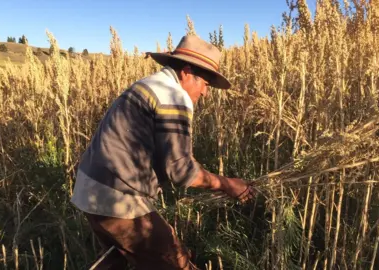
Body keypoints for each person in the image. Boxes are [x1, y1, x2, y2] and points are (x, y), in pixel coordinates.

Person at [70, 35, 256, 270]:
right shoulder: (173, 97)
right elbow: (181, 172)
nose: (206, 93)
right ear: (187, 72)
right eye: (205, 84)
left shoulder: (149, 85)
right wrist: (228, 185)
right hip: (117, 199)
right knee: (176, 262)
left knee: (118, 260)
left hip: (90, 191)